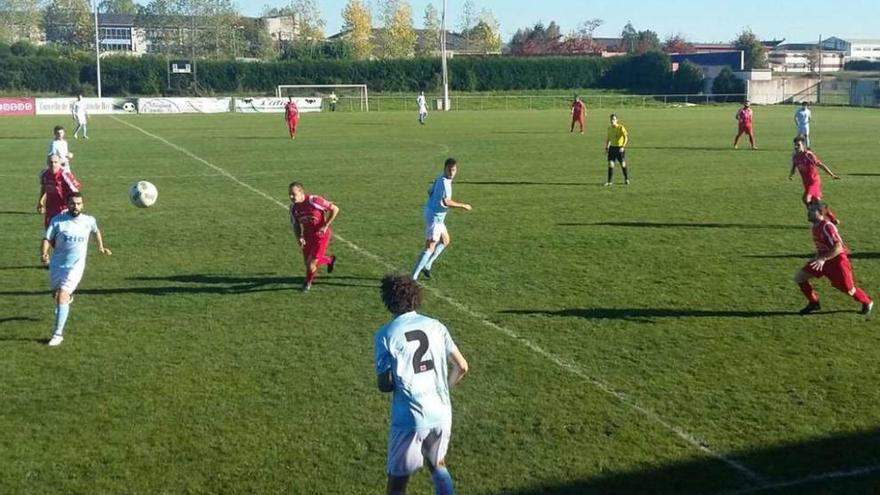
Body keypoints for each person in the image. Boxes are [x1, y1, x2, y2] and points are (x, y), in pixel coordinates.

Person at [374, 274, 469, 495]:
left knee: (397, 483)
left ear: (388, 301)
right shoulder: (436, 326)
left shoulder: (386, 335)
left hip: (410, 417)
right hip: (441, 411)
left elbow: (383, 385)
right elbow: (462, 366)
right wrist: (444, 388)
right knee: (438, 465)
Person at [40, 192, 112, 346]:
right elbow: (47, 238)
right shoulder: (58, 221)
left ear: (83, 204)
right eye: (72, 203)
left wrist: (101, 247)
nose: (76, 206)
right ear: (67, 204)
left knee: (62, 295)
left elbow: (96, 231)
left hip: (75, 266)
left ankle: (58, 334)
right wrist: (44, 253)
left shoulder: (88, 220)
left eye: (79, 203)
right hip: (57, 265)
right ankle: (68, 299)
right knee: (57, 295)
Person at [794, 200, 873, 316]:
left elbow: (839, 248)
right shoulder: (815, 226)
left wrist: (822, 259)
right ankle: (814, 303)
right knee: (800, 277)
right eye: (808, 210)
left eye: (811, 210)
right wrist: (816, 258)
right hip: (823, 261)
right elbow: (822, 247)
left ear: (820, 212)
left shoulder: (827, 226)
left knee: (849, 289)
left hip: (837, 262)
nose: (808, 212)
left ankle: (867, 301)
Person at [412, 158, 472, 281]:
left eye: (454, 170)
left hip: (434, 214)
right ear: (445, 168)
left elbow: (429, 191)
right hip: (435, 218)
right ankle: (413, 277)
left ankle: (427, 265)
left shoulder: (439, 178)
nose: (452, 173)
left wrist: (434, 201)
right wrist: (463, 205)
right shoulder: (445, 183)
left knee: (445, 240)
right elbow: (446, 202)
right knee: (429, 248)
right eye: (449, 170)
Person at [289, 181, 339, 292]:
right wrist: (299, 237)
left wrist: (325, 225)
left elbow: (335, 209)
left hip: (321, 236)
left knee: (311, 265)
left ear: (301, 192)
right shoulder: (293, 208)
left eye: (293, 194)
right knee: (308, 263)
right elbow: (296, 224)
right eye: (290, 194)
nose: (291, 197)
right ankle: (329, 260)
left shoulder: (314, 201)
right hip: (307, 237)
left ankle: (307, 283)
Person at [788, 135, 840, 223]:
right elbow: (794, 166)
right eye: (795, 145)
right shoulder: (795, 156)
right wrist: (791, 174)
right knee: (816, 202)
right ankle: (831, 218)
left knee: (807, 199)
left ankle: (816, 216)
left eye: (798, 145)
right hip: (807, 183)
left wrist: (831, 174)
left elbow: (820, 165)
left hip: (814, 181)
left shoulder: (808, 155)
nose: (796, 147)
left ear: (803, 145)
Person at [38, 155, 81, 228]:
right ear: (47, 163)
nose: (53, 164)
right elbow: (44, 187)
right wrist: (40, 202)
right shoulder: (44, 174)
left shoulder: (65, 175)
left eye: (55, 162)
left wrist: (72, 207)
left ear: (59, 163)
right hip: (50, 209)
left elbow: (75, 192)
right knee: (49, 232)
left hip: (63, 209)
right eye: (51, 162)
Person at [604, 114, 630, 186]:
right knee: (611, 164)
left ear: (616, 120)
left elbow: (626, 137)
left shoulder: (620, 127)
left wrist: (623, 146)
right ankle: (609, 181)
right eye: (611, 119)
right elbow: (608, 139)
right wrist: (606, 147)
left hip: (619, 148)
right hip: (612, 148)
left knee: (622, 164)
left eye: (614, 119)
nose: (612, 121)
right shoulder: (609, 128)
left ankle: (626, 179)